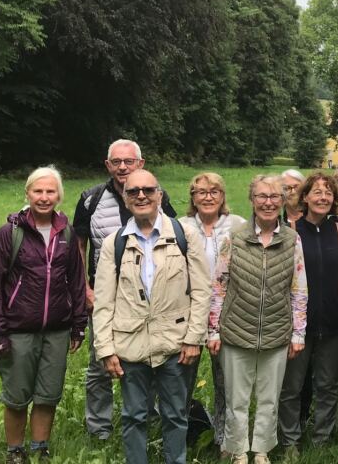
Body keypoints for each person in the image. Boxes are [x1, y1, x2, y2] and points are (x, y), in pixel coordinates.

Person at [91, 169, 210, 464]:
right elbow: (104, 301)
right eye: (133, 192)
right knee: (133, 416)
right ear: (124, 197)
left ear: (159, 194)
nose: (141, 196)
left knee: (175, 415)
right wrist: (105, 349)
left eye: (147, 190)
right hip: (130, 346)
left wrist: (194, 338)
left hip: (175, 344)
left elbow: (201, 290)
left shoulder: (184, 235)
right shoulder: (114, 243)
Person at [0, 167, 88, 464]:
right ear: (27, 193)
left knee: (48, 395)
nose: (44, 197)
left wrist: (79, 325)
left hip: (57, 329)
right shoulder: (9, 234)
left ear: (59, 195)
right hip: (17, 330)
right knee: (16, 397)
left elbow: (77, 282)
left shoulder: (66, 233)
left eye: (50, 192)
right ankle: (15, 452)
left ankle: (40, 448)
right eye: (38, 191)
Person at [73, 139, 176, 440]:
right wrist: (85, 289)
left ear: (140, 164)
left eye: (128, 161)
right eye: (116, 162)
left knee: (150, 360)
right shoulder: (90, 199)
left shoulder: (158, 196)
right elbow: (79, 246)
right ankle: (100, 430)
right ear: (107, 165)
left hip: (148, 300)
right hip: (104, 298)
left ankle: (147, 420)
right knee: (99, 366)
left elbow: (172, 237)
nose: (122, 167)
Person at [208, 175, 308, 464]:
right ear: (252, 200)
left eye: (274, 196)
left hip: (277, 332)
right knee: (236, 400)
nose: (268, 202)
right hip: (236, 331)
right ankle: (238, 451)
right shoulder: (235, 238)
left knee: (268, 398)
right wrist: (213, 330)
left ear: (282, 200)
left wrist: (297, 333)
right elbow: (219, 285)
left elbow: (299, 289)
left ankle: (261, 450)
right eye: (262, 196)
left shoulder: (292, 239)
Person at [278, 173, 338, 452]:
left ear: (334, 199)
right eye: (317, 192)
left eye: (328, 193)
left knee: (328, 385)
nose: (323, 197)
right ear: (304, 197)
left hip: (333, 323)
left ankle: (322, 440)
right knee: (291, 387)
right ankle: (290, 442)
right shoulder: (291, 229)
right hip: (297, 324)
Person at [178, 172, 247, 449]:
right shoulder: (179, 226)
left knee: (227, 383)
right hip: (188, 315)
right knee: (182, 381)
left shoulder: (238, 226)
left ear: (223, 196)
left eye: (214, 191)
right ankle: (179, 438)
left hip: (228, 316)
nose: (208, 197)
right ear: (192, 197)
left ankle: (224, 441)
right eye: (201, 192)